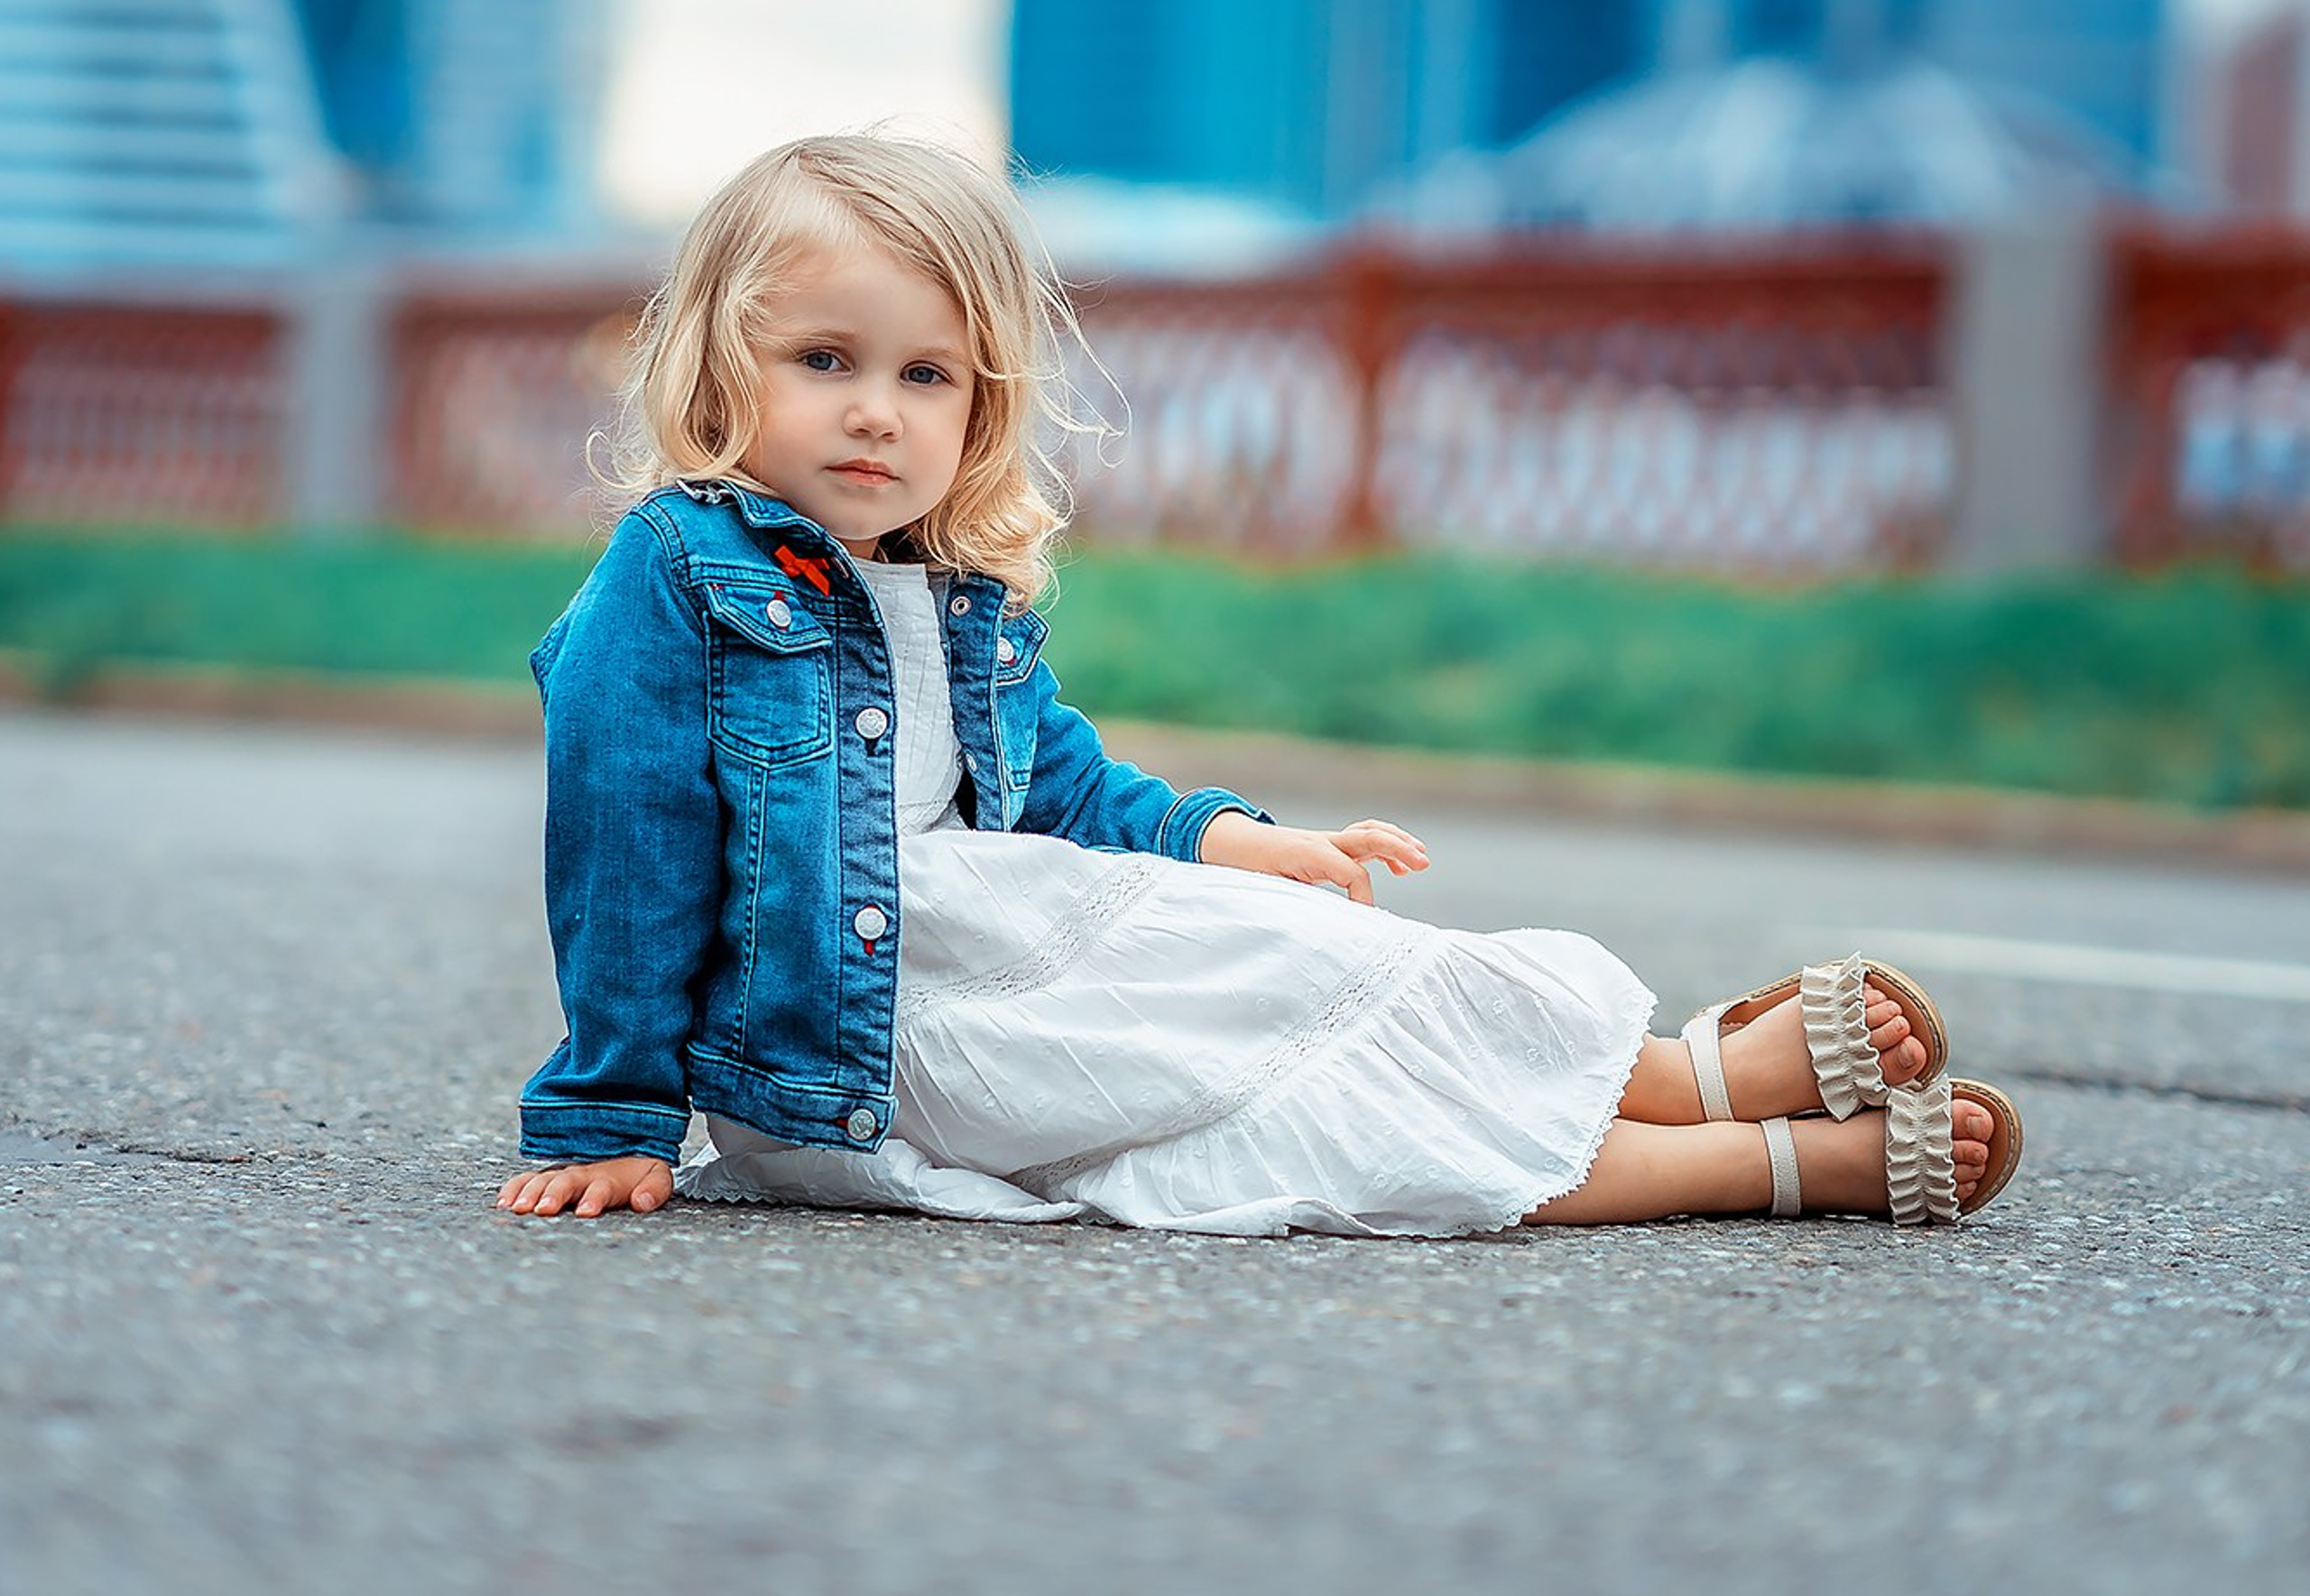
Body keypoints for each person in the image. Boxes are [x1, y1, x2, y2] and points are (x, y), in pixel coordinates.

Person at [499, 134, 2021, 1235]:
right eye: (824, 359)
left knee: (1294, 949)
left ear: (983, 406)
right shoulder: (676, 570)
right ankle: (1773, 1160)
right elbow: (623, 841)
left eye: (928, 376)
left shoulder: (946, 593)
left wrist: (1243, 843)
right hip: (866, 1041)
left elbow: (1071, 788)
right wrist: (610, 1110)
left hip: (998, 950)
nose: (877, 414)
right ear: (717, 365)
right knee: (1294, 1101)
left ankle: (1678, 1072)